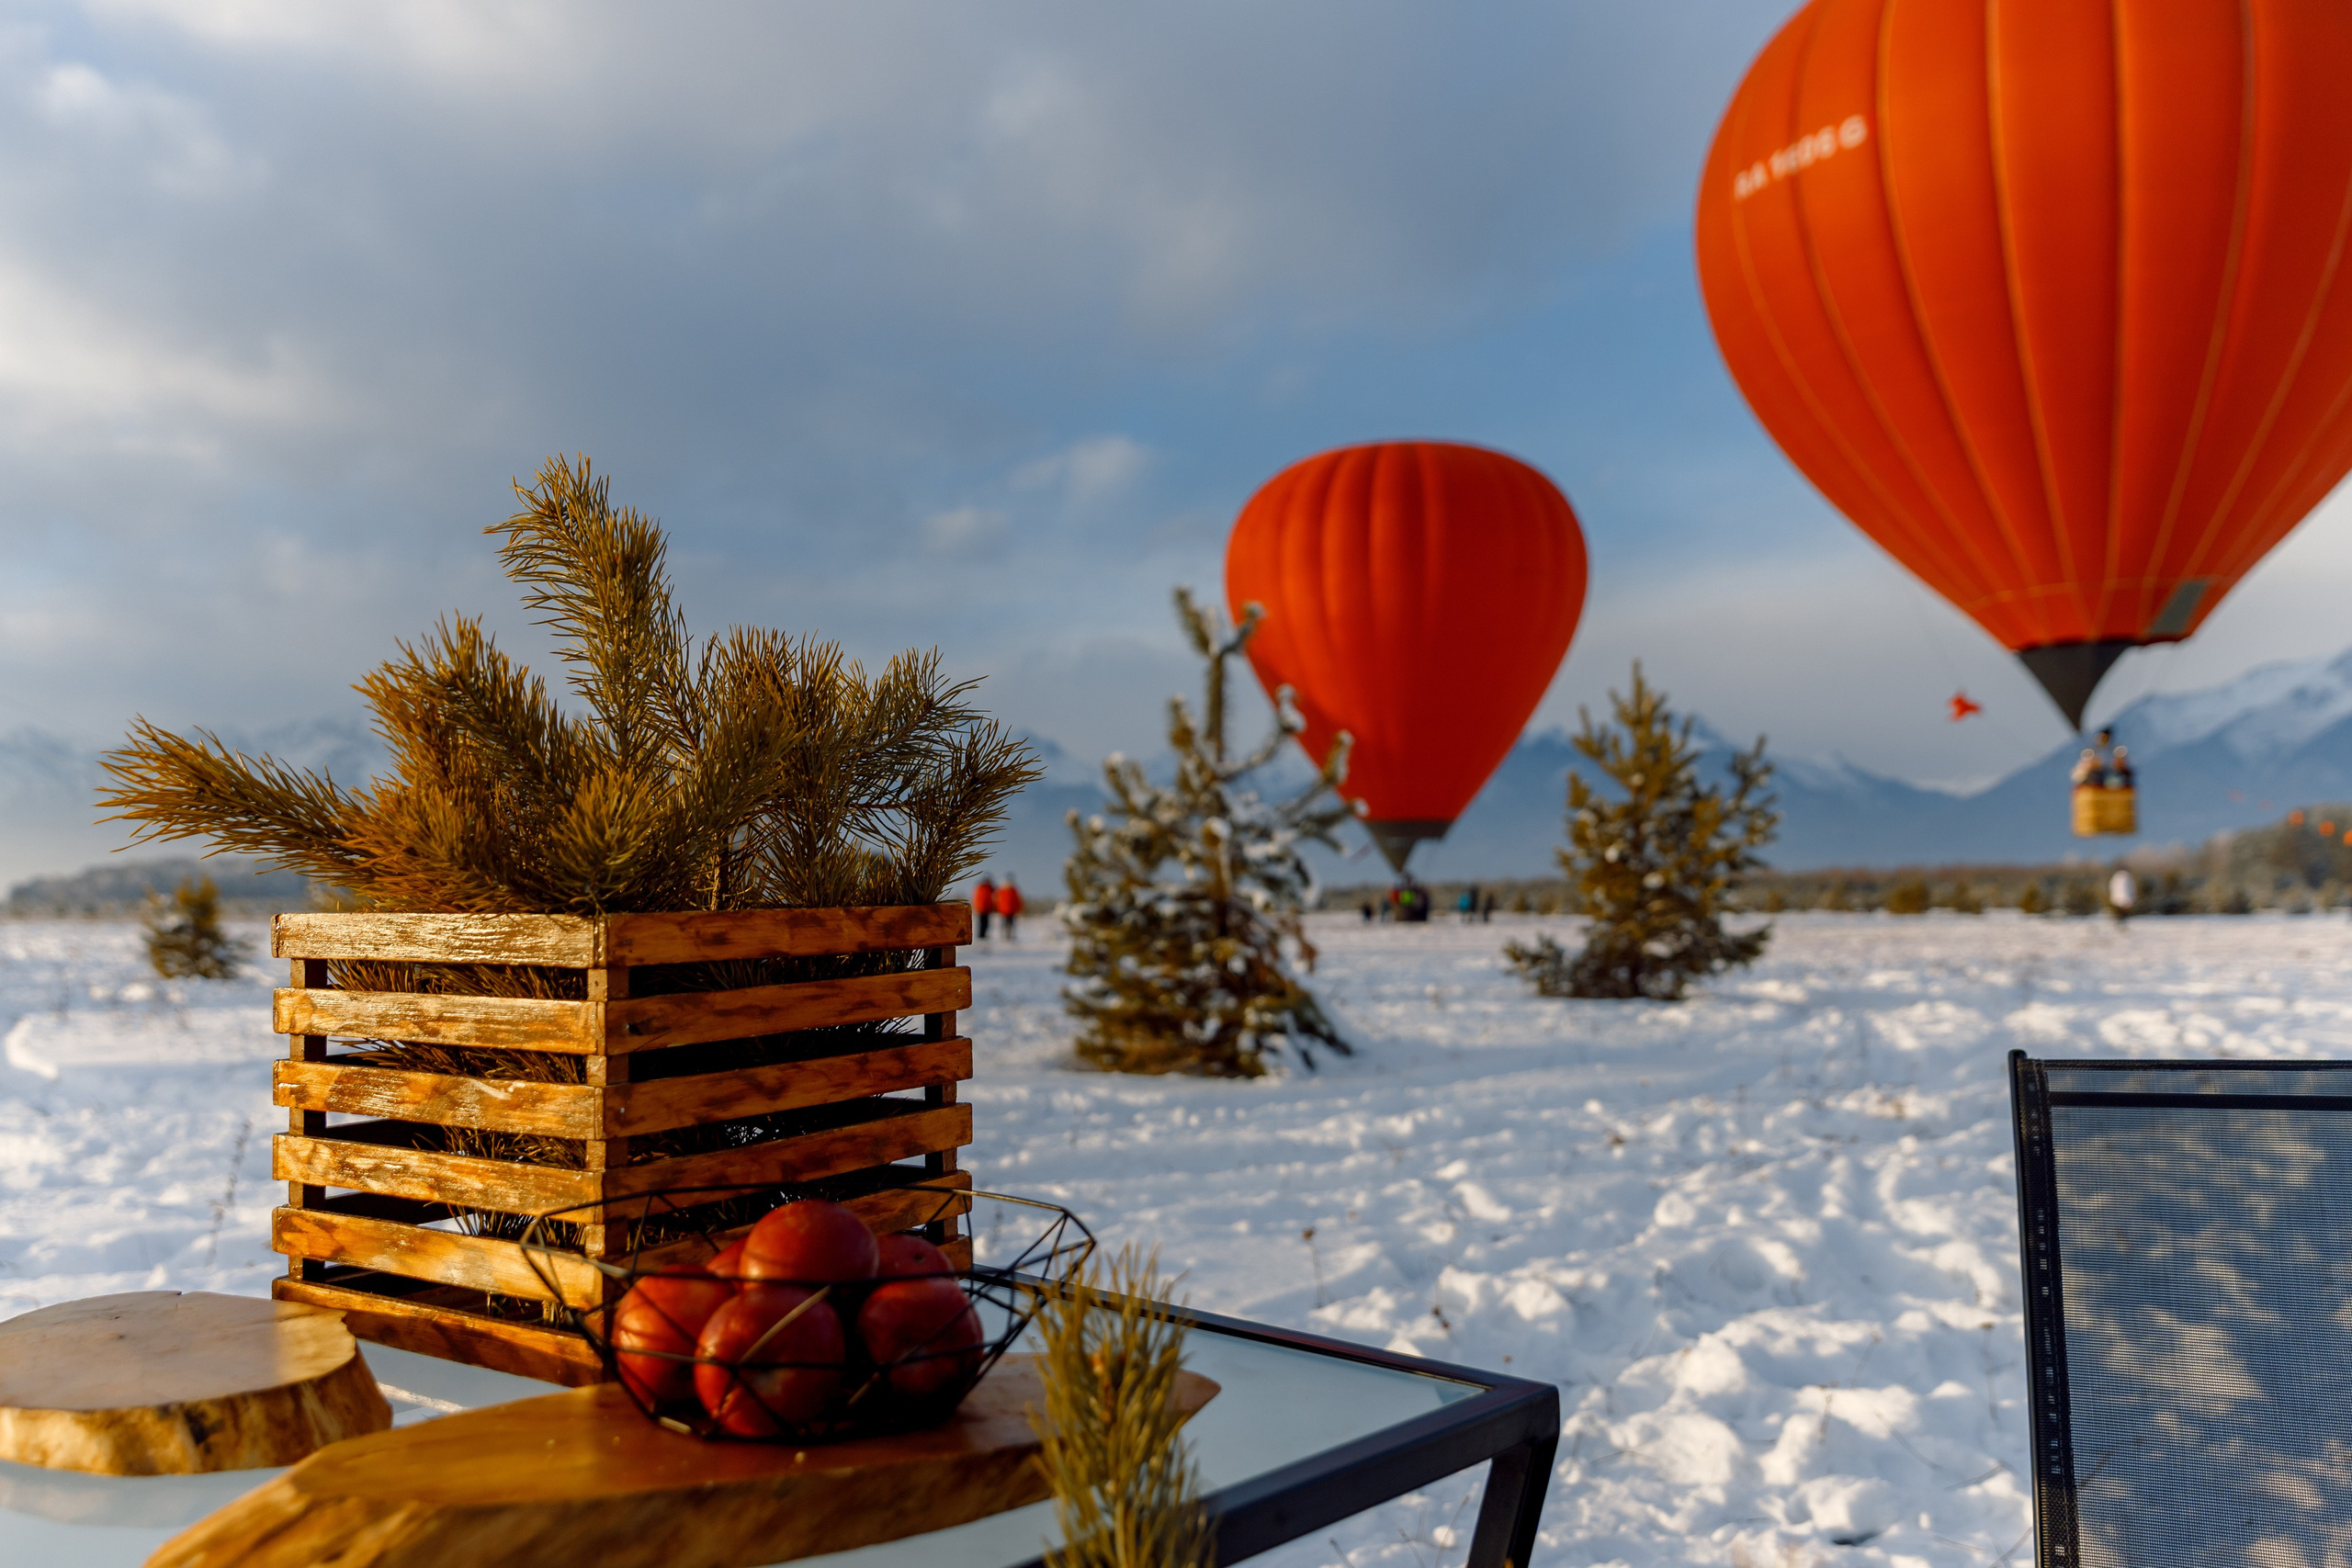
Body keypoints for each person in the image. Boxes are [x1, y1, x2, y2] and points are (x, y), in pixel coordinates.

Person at [998, 874, 1023, 941]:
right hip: (1004, 911)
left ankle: (1009, 935)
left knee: (1011, 923)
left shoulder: (1013, 890)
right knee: (1005, 923)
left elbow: (1017, 900)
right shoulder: (1002, 890)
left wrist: (1018, 908)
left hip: (1011, 910)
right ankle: (1004, 935)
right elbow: (998, 900)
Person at [972, 874, 995, 940]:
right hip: (981, 909)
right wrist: (978, 907)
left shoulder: (989, 889)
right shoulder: (981, 888)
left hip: (987, 909)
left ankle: (983, 934)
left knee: (986, 923)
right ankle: (981, 935)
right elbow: (978, 899)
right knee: (981, 923)